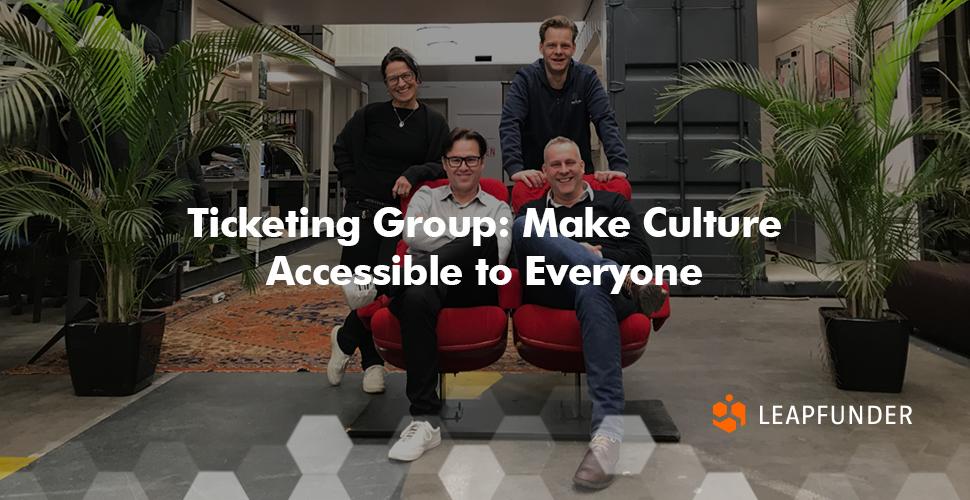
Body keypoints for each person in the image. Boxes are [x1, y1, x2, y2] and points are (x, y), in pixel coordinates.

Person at [510, 137, 667, 489]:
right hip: (554, 288)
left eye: (570, 163)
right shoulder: (533, 211)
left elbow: (641, 257)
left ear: (584, 167)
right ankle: (610, 273)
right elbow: (518, 260)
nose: (563, 170)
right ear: (545, 171)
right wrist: (580, 253)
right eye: (555, 165)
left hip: (605, 294)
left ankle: (606, 437)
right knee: (521, 227)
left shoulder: (613, 203)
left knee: (590, 284)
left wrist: (593, 261)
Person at [384, 128, 513, 462]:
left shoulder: (499, 207)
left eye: (471, 159)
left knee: (484, 240)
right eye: (455, 159)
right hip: (423, 287)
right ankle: (424, 422)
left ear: (483, 161)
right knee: (413, 299)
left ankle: (387, 283)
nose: (463, 166)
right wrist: (464, 240)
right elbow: (411, 235)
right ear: (444, 162)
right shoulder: (426, 195)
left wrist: (445, 239)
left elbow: (496, 253)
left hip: (472, 288)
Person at [328, 47, 451, 394]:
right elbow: (341, 149)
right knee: (360, 290)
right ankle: (372, 365)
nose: (401, 83)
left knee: (387, 286)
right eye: (393, 78)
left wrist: (413, 172)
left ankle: (345, 336)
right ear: (385, 84)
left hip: (405, 214)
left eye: (406, 76)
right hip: (364, 209)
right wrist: (354, 185)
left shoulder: (432, 122)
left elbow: (441, 165)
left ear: (417, 76)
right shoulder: (369, 116)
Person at [499, 15, 629, 189]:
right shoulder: (525, 80)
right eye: (552, 45)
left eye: (565, 46)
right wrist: (515, 168)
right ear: (541, 47)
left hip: (578, 181)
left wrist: (619, 166)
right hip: (537, 180)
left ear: (573, 48)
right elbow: (510, 122)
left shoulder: (587, 78)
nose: (558, 51)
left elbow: (605, 119)